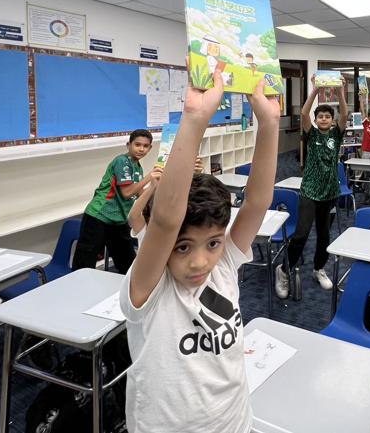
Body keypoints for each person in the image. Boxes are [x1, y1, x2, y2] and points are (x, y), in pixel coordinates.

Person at [119, 74, 280, 433]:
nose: (200, 261)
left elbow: (257, 202)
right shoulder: (149, 287)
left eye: (212, 243)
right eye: (183, 247)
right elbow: (165, 220)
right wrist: (194, 119)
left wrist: (269, 124)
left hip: (235, 423)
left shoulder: (223, 264)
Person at [275, 77, 347, 297]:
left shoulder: (336, 134)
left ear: (332, 120)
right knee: (301, 235)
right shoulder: (312, 133)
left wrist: (340, 91)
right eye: (320, 116)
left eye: (327, 116)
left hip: (330, 193)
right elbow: (304, 113)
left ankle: (319, 269)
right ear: (316, 120)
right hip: (309, 191)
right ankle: (284, 270)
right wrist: (315, 89)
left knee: (324, 236)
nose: (324, 118)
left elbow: (344, 114)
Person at [73, 129, 160, 273]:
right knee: (84, 263)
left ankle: (128, 287)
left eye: (145, 146)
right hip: (99, 216)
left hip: (118, 220)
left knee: (128, 263)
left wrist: (155, 185)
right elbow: (127, 193)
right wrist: (149, 177)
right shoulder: (122, 162)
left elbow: (139, 194)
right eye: (137, 144)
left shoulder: (137, 167)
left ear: (150, 148)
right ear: (128, 145)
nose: (141, 149)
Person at [128, 157, 204, 248]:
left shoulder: (182, 229)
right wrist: (152, 186)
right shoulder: (148, 231)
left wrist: (194, 176)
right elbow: (133, 216)